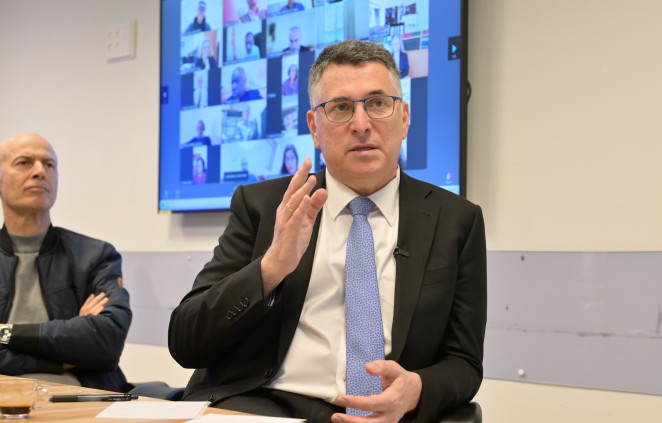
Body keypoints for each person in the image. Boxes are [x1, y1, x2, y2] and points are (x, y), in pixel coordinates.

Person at [168, 40, 486, 423]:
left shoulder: (456, 221)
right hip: (265, 405)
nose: (361, 124)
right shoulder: (265, 207)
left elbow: (464, 362)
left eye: (377, 103)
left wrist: (415, 389)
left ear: (404, 118)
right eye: (340, 108)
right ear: (314, 128)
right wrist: (270, 269)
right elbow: (186, 342)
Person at [0, 133, 132, 392]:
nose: (40, 171)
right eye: (24, 162)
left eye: (49, 164)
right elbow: (86, 344)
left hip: (81, 397)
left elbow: (107, 340)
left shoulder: (96, 255)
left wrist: (6, 332)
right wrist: (62, 357)